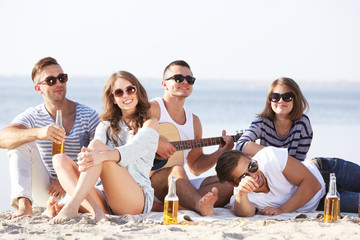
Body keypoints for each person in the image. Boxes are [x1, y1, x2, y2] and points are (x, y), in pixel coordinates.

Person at [48, 70, 159, 224]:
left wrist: (102, 156)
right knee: (60, 159)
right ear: (113, 99)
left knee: (99, 151)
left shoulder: (150, 124)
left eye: (130, 89)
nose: (126, 95)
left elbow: (132, 150)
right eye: (119, 92)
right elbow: (93, 152)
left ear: (138, 92)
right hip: (103, 196)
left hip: (134, 198)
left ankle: (71, 205)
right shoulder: (105, 126)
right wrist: (91, 156)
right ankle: (96, 211)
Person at [0, 57, 99, 219]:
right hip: (47, 188)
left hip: (80, 188)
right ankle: (25, 207)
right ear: (38, 88)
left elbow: (102, 158)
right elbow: (3, 138)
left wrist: (67, 181)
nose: (59, 83)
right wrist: (39, 133)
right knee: (19, 143)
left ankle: (59, 207)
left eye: (62, 78)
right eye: (51, 80)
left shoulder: (88, 115)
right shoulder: (33, 115)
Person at [149, 60, 234, 216]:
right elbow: (129, 133)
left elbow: (195, 167)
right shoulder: (153, 108)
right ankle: (198, 205)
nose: (185, 82)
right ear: (164, 84)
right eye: (178, 78)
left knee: (229, 184)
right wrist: (156, 142)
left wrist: (220, 152)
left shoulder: (194, 121)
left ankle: (185, 203)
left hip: (178, 183)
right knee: (177, 170)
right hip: (151, 181)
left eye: (190, 80)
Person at [216, 147, 360, 217]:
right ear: (234, 184)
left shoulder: (269, 157)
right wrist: (241, 193)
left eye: (252, 166)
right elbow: (245, 214)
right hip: (320, 203)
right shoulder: (242, 195)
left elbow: (312, 183)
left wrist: (283, 210)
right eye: (244, 176)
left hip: (328, 172)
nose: (253, 175)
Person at [236, 77, 312, 161]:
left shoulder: (302, 123)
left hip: (292, 172)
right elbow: (240, 145)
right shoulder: (262, 122)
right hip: (266, 172)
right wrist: (275, 154)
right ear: (270, 100)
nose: (281, 101)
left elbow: (300, 161)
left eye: (287, 97)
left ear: (296, 100)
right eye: (275, 97)